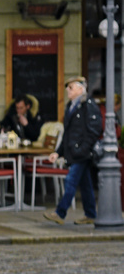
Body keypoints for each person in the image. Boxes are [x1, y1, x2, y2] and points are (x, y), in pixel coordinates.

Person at [46, 77, 101, 224]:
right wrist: (58, 152)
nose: (67, 91)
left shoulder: (88, 105)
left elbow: (93, 130)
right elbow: (68, 133)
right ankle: (90, 214)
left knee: (70, 180)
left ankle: (60, 213)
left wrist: (83, 149)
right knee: (85, 184)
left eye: (70, 88)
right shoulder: (72, 105)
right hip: (75, 152)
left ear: (80, 89)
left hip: (81, 153)